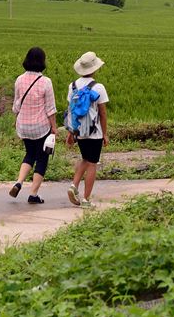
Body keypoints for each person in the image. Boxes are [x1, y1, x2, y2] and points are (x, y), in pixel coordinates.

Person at [10, 46, 57, 204]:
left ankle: (19, 182)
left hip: (23, 125)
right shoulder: (46, 82)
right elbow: (50, 109)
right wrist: (54, 128)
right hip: (41, 126)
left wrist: (16, 119)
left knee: (29, 154)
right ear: (42, 61)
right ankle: (33, 194)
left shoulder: (19, 79)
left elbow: (16, 105)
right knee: (42, 158)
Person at [66, 50, 109, 208]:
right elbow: (103, 113)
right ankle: (86, 199)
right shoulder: (98, 87)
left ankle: (73, 186)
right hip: (94, 131)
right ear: (95, 68)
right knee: (92, 163)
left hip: (79, 131)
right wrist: (104, 133)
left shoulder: (73, 86)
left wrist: (71, 132)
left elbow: (71, 110)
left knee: (85, 158)